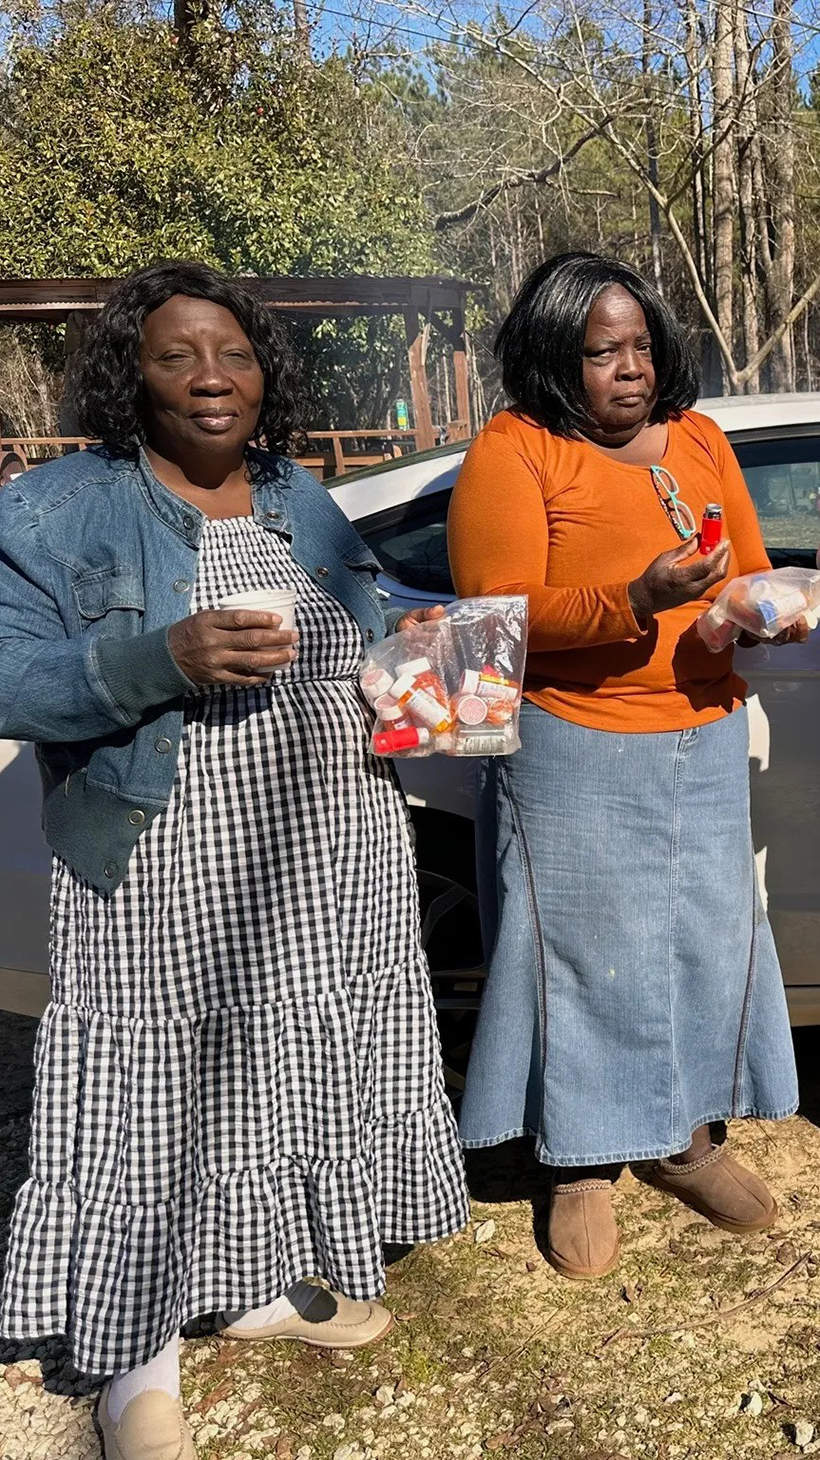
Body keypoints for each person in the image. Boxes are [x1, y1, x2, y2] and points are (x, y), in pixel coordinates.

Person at [0, 261, 468, 1460]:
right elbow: (12, 678)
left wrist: (412, 650)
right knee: (149, 1095)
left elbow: (355, 649)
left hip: (328, 847)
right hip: (159, 855)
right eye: (176, 356)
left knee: (275, 1065)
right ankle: (132, 1364)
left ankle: (254, 1282)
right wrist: (165, 655)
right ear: (132, 374)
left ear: (268, 371)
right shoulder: (57, 506)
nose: (213, 378)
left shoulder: (297, 498)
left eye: (236, 355)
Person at [448, 251, 804, 1282]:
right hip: (573, 739)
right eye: (601, 352)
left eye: (640, 344)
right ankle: (581, 1163)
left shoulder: (696, 436)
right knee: (580, 962)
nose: (630, 368)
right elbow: (491, 615)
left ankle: (683, 1141)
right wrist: (636, 600)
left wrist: (760, 609)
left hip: (698, 735)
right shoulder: (515, 449)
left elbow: (742, 562)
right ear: (556, 358)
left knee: (701, 941)